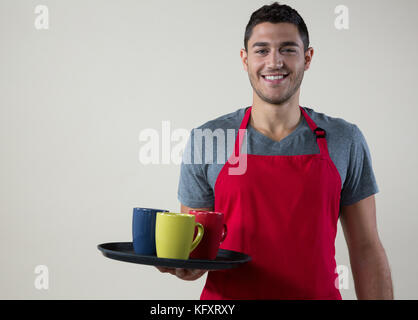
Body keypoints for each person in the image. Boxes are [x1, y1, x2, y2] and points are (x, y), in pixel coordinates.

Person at [156, 2, 393, 300]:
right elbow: (197, 253)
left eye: (288, 49)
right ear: (244, 59)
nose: (274, 61)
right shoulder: (208, 139)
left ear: (308, 58)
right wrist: (184, 266)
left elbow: (366, 249)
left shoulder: (345, 139)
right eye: (262, 50)